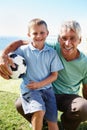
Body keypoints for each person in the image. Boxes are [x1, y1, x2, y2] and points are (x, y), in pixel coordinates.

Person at [1, 20, 87, 130]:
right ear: (58, 39)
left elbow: (86, 89)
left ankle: (67, 125)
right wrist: (3, 56)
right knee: (20, 104)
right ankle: (43, 121)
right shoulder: (50, 48)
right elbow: (21, 42)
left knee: (84, 107)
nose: (67, 43)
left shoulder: (85, 63)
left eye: (72, 38)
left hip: (67, 97)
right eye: (64, 38)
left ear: (80, 40)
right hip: (45, 91)